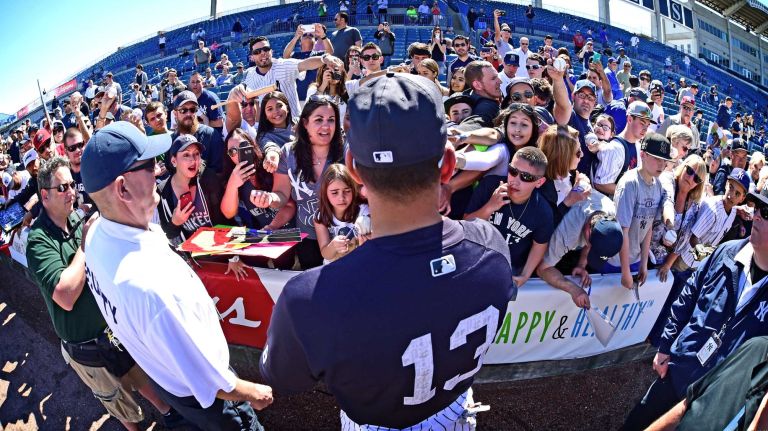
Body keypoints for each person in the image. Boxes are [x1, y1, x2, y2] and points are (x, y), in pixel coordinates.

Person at [260, 72, 516, 429]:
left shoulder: (310, 296)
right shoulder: (492, 245)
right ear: (447, 162)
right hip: (456, 413)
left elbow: (286, 378)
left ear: (353, 170)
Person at [80, 122, 273, 427]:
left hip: (168, 381)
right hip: (209, 397)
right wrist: (252, 392)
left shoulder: (94, 237)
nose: (158, 170)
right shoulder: (149, 289)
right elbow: (213, 383)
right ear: (122, 188)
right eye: (148, 165)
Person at [26, 156, 183, 430]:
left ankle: (169, 413)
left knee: (142, 377)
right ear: (44, 195)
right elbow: (65, 294)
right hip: (85, 346)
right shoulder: (38, 240)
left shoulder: (77, 217)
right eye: (62, 188)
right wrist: (86, 244)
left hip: (114, 328)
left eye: (72, 185)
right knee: (118, 402)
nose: (71, 192)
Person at [622, 186, 768, 430]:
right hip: (677, 372)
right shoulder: (727, 252)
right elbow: (688, 296)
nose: (757, 216)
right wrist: (666, 346)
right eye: (757, 209)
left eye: (766, 211)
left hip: (713, 402)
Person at [250, 96, 344, 269]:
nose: (326, 126)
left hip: (343, 236)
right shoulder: (289, 153)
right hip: (307, 238)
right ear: (305, 123)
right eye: (318, 120)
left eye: (331, 120)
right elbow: (282, 195)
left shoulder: (345, 151)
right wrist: (269, 198)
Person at [607, 133, 673, 291]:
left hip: (635, 259)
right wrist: (625, 271)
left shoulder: (657, 185)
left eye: (665, 160)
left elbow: (648, 227)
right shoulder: (630, 183)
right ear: (642, 155)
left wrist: (643, 263)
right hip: (616, 260)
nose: (662, 164)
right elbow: (623, 230)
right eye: (657, 158)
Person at [537, 189, 623, 308]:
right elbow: (542, 268)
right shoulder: (567, 233)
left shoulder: (610, 213)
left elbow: (593, 241)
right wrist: (573, 289)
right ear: (587, 232)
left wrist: (582, 265)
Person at [238, 36, 344, 122]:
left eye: (266, 49)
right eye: (257, 52)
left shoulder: (283, 65)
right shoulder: (250, 75)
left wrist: (323, 58)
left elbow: (305, 63)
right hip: (269, 128)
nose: (262, 53)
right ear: (251, 57)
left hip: (293, 125)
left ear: (271, 51)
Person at [220, 129, 295, 235]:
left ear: (252, 146)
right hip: (267, 238)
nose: (238, 154)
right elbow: (228, 213)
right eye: (232, 151)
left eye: (243, 147)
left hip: (291, 232)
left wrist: (272, 226)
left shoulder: (269, 164)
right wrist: (232, 185)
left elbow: (290, 206)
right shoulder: (233, 178)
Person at [592, 101, 653, 197]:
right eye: (642, 123)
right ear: (629, 119)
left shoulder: (638, 146)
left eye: (648, 125)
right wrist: (632, 193)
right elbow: (600, 184)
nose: (645, 129)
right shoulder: (614, 148)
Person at [537, 124, 591, 226]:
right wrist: (568, 201)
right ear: (563, 157)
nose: (582, 155)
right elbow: (545, 227)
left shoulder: (571, 174)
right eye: (578, 152)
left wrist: (583, 181)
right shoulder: (540, 187)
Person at [313, 163, 368, 263]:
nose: (341, 198)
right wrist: (333, 246)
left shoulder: (363, 211)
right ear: (325, 193)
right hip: (333, 267)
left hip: (359, 264)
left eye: (347, 191)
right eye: (334, 192)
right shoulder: (321, 217)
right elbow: (325, 253)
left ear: (354, 190)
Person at [171, 91, 225, 174]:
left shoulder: (211, 135)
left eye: (192, 109)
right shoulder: (171, 140)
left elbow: (219, 172)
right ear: (175, 113)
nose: (188, 114)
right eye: (183, 110)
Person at [282, 24, 333, 102]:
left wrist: (322, 35)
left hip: (316, 97)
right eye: (304, 34)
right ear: (300, 42)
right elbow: (285, 56)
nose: (308, 35)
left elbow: (330, 52)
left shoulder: (319, 54)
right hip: (298, 99)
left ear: (315, 41)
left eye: (311, 35)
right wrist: (296, 36)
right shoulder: (295, 55)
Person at [255, 91, 294, 170]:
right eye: (270, 109)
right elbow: (270, 146)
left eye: (279, 106)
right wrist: (273, 154)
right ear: (265, 115)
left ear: (287, 108)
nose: (276, 111)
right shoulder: (264, 137)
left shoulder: (300, 124)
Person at [464, 61, 502, 127]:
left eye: (497, 77)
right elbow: (475, 124)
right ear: (477, 85)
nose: (500, 81)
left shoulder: (468, 97)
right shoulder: (486, 108)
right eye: (493, 78)